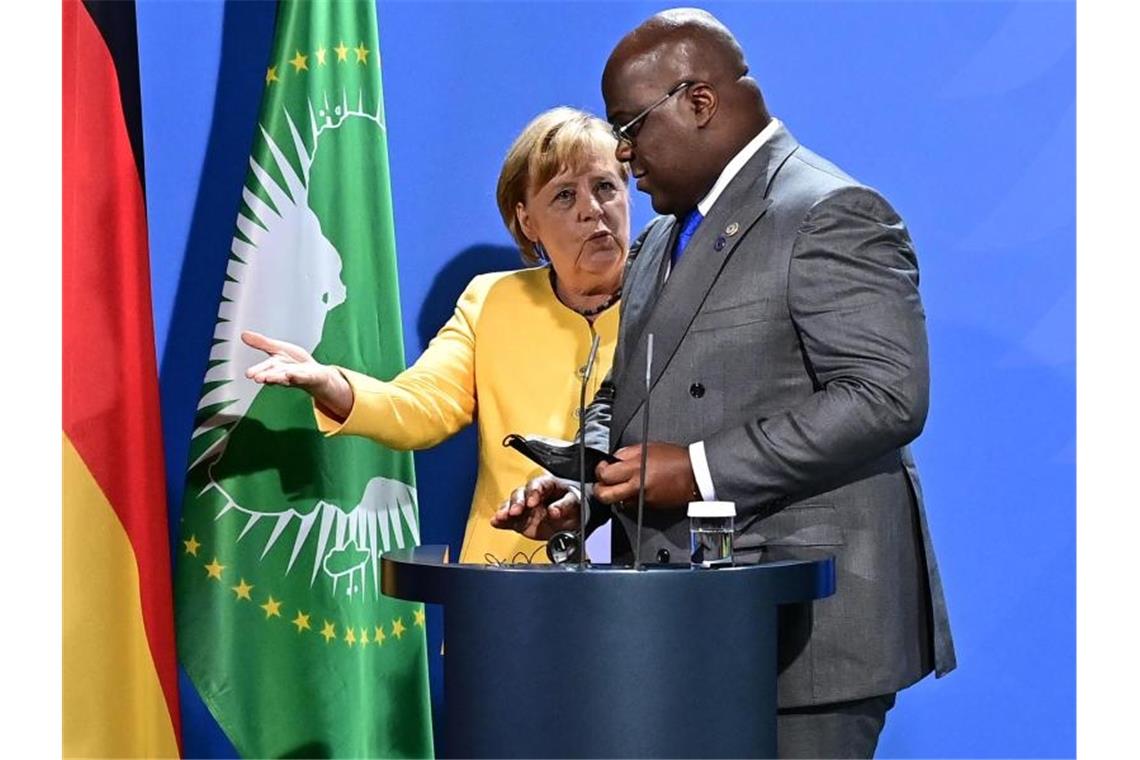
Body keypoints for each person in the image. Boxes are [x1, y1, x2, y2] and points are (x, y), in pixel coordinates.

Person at [492, 9, 956, 758]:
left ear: (698, 104)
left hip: (805, 632)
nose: (623, 154)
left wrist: (701, 468)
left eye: (629, 126)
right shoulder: (659, 241)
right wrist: (590, 491)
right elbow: (632, 395)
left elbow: (886, 393)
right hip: (682, 624)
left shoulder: (830, 212)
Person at [243, 107, 631, 565]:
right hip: (507, 580)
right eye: (564, 196)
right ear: (527, 222)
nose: (592, 209)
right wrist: (332, 385)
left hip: (646, 581)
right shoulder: (491, 300)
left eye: (606, 186)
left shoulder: (674, 295)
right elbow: (422, 407)